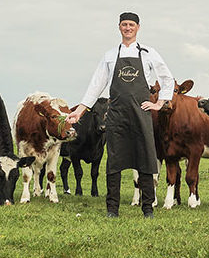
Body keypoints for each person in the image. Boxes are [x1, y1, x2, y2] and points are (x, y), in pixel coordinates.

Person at [67, 12, 174, 217]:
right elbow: (96, 84)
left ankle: (147, 208)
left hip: (141, 114)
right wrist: (80, 111)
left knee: (146, 160)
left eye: (131, 24)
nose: (127, 28)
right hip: (116, 116)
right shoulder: (109, 55)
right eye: (124, 24)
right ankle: (112, 209)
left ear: (138, 27)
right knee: (114, 162)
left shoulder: (148, 53)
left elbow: (167, 78)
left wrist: (160, 103)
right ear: (119, 27)